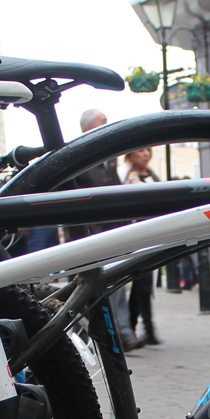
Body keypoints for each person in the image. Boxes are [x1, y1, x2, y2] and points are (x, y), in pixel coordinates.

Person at [66, 109, 143, 351]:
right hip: (90, 233)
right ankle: (87, 335)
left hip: (110, 232)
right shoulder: (78, 157)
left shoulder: (107, 160)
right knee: (87, 285)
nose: (106, 125)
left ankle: (122, 335)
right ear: (89, 128)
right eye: (102, 122)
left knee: (114, 282)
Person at [123, 148, 160, 345]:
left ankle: (135, 328)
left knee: (143, 284)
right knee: (141, 283)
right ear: (129, 155)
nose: (145, 154)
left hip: (154, 236)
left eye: (147, 151)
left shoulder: (153, 175)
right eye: (140, 151)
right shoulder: (127, 176)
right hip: (137, 237)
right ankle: (142, 329)